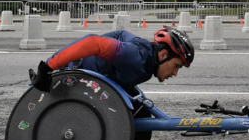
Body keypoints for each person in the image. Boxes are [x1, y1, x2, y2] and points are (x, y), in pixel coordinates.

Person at [29, 26, 194, 95]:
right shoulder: (137, 58)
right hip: (73, 81)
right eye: (176, 66)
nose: (175, 73)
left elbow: (121, 34)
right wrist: (47, 67)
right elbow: (92, 43)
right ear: (163, 55)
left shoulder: (145, 51)